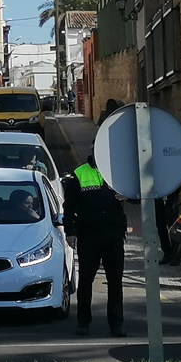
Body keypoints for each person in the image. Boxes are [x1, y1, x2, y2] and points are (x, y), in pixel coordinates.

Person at [63, 145, 128, 338]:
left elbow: (137, 197)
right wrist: (70, 232)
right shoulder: (80, 173)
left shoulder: (118, 171)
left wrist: (129, 196)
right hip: (89, 234)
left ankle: (117, 324)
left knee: (115, 281)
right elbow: (69, 207)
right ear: (93, 152)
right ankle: (83, 322)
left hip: (114, 234)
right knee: (86, 281)